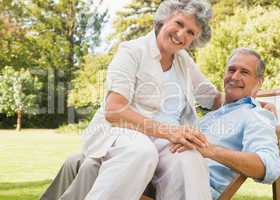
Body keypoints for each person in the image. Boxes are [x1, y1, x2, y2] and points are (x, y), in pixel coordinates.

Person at [41, 0, 220, 200]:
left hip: (166, 140)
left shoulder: (184, 61)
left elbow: (212, 98)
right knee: (141, 151)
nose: (182, 34)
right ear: (165, 18)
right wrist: (171, 132)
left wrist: (251, 96)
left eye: (191, 32)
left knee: (190, 158)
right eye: (179, 24)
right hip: (123, 130)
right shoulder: (132, 51)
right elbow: (115, 111)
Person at [169, 48, 280, 199]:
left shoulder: (256, 115)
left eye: (244, 72)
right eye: (231, 70)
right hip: (171, 171)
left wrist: (209, 149)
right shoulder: (219, 112)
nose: (235, 76)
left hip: (191, 186)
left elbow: (268, 167)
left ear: (259, 82)